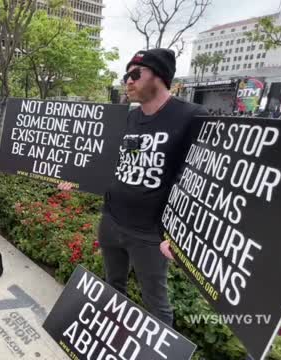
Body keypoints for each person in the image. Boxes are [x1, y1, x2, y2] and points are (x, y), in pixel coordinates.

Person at [60, 49, 207, 326]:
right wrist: (76, 176)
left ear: (159, 76)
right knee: (113, 288)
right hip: (112, 221)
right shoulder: (127, 118)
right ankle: (115, 341)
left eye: (135, 74)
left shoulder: (192, 116)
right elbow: (109, 161)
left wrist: (180, 235)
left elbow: (196, 181)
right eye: (126, 75)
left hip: (151, 235)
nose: (128, 81)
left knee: (157, 305)